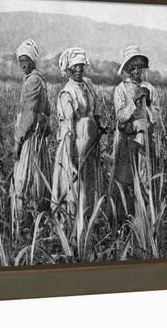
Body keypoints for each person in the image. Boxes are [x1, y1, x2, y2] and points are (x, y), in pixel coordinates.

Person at [51, 47, 104, 220]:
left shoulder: (88, 85)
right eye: (75, 66)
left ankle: (90, 220)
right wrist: (71, 159)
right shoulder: (67, 93)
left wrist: (98, 125)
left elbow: (94, 111)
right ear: (68, 69)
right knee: (74, 184)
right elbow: (68, 129)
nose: (79, 69)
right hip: (75, 145)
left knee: (89, 182)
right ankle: (71, 224)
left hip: (91, 143)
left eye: (81, 65)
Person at [111, 45, 161, 217]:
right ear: (127, 70)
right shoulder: (121, 89)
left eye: (139, 67)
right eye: (132, 67)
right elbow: (121, 117)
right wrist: (134, 101)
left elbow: (156, 118)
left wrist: (147, 104)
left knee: (146, 178)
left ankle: (146, 217)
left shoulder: (151, 89)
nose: (136, 71)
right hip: (128, 140)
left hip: (146, 140)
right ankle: (127, 218)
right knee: (127, 179)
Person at [10, 39, 52, 218]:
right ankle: (35, 217)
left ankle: (23, 219)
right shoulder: (38, 79)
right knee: (36, 175)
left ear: (33, 60)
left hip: (30, 137)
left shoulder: (33, 81)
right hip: (37, 135)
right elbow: (47, 110)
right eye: (20, 60)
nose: (23, 64)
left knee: (24, 179)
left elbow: (29, 114)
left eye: (26, 59)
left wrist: (18, 141)